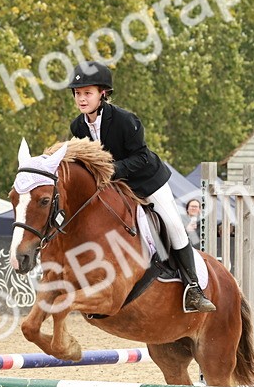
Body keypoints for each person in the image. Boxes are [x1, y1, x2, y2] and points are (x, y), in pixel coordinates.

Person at [68, 60, 215, 313]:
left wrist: (112, 170)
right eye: (78, 93)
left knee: (173, 225)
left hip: (146, 182)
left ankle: (193, 289)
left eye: (87, 93)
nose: (82, 99)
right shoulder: (77, 126)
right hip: (114, 188)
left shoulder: (125, 120)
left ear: (102, 93)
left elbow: (142, 157)